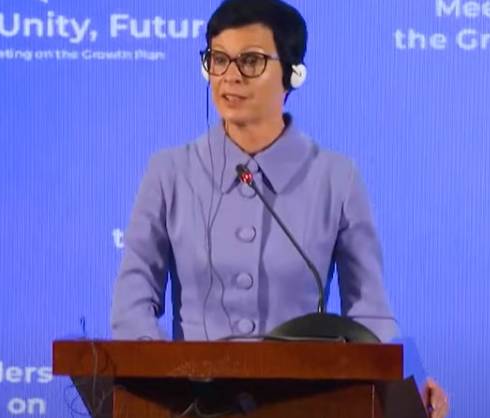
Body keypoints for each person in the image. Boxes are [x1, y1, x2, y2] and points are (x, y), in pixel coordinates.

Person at [110, 0, 448, 416]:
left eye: (251, 61)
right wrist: (158, 381)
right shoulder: (169, 172)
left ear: (292, 74)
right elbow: (133, 300)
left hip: (308, 404)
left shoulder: (336, 178)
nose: (230, 76)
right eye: (218, 59)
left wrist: (401, 388)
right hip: (191, 405)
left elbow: (369, 313)